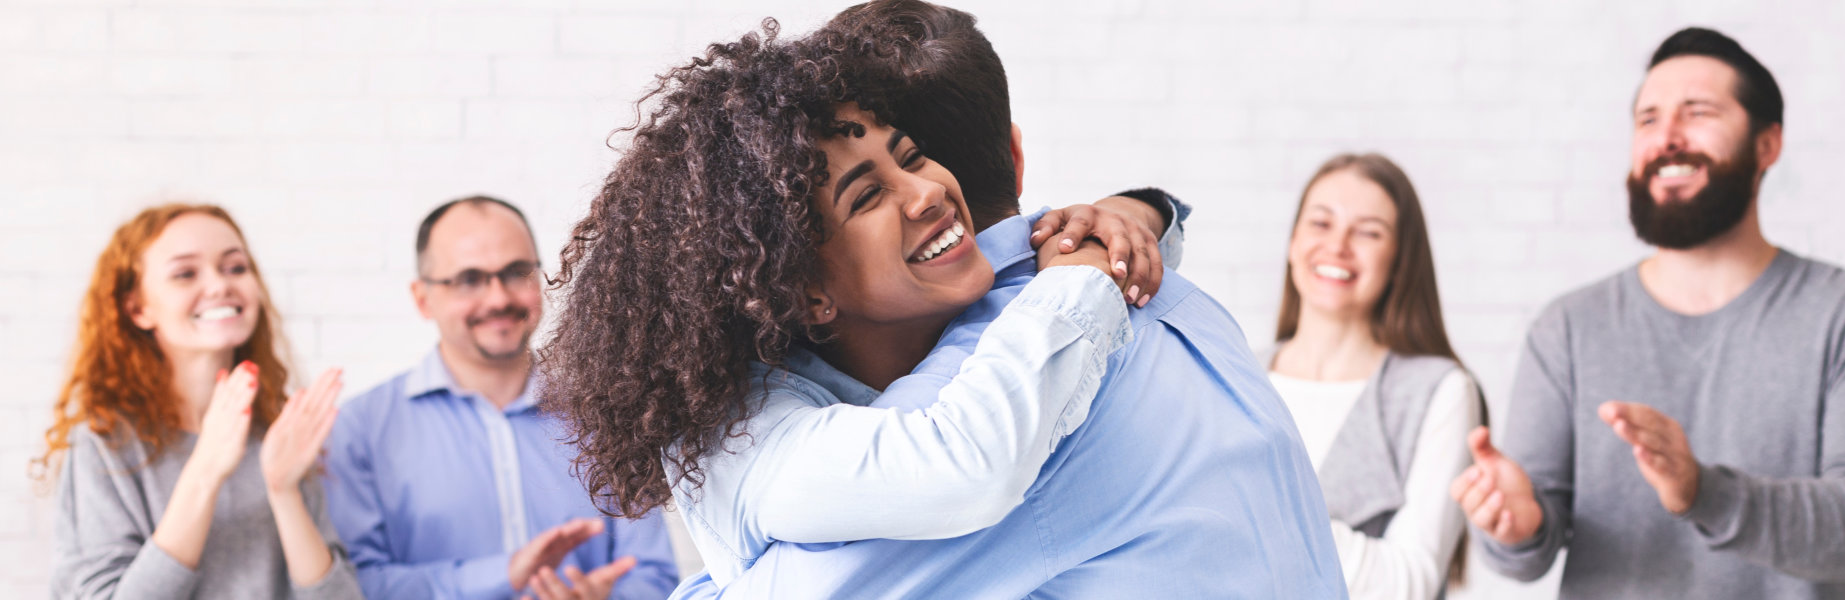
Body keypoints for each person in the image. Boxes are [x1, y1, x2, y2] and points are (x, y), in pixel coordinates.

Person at [557, 4, 1344, 598]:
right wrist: (1130, 224)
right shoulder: (1173, 297)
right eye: (867, 195)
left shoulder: (1016, 377)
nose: (926, 192)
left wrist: (1097, 257)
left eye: (910, 157)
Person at [1450, 27, 1845, 599]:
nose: (1667, 137)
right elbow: (1526, 553)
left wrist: (1704, 493)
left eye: (1697, 112)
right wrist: (1516, 526)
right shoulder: (1568, 328)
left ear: (1767, 145)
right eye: (1647, 120)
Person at [322, 196, 678, 600]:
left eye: (516, 272)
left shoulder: (607, 415)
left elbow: (655, 576)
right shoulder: (359, 430)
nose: (498, 299)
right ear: (423, 298)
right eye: (469, 279)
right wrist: (505, 574)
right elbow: (356, 585)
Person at [42, 203, 362, 599]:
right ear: (138, 309)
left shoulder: (278, 432)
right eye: (185, 274)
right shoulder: (104, 441)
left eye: (235, 268)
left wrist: (284, 490)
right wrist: (205, 470)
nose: (219, 286)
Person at [1264, 153, 1482, 600]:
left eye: (1368, 232)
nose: (1338, 245)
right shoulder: (1234, 374)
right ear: (1292, 243)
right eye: (1321, 224)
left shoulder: (1440, 391)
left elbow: (1411, 584)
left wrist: (1265, 511)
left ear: (1399, 261)